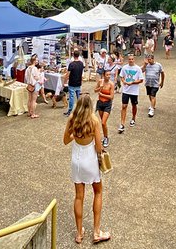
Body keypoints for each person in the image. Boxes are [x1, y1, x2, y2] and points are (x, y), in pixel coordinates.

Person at [63, 95, 111, 244]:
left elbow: (65, 140)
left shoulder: (72, 118)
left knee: (79, 196)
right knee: (98, 191)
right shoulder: (94, 121)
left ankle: (79, 233)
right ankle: (96, 232)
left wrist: (76, 134)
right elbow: (98, 147)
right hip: (90, 161)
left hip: (76, 161)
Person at [118, 54, 144, 134]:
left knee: (134, 105)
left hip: (134, 91)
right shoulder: (124, 68)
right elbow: (121, 76)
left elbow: (141, 80)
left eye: (132, 59)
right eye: (129, 59)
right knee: (124, 106)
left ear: (134, 60)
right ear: (128, 60)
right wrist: (124, 81)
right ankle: (122, 124)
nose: (131, 60)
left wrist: (132, 82)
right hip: (126, 90)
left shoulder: (138, 69)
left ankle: (133, 118)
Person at [94, 65, 115, 148]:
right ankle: (104, 137)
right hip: (100, 103)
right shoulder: (100, 81)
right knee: (103, 123)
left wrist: (102, 94)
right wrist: (100, 87)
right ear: (104, 75)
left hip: (107, 104)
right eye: (107, 75)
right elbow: (95, 90)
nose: (109, 76)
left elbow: (111, 97)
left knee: (103, 122)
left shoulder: (111, 84)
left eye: (110, 75)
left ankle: (106, 137)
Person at [64, 50, 86, 116]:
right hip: (78, 82)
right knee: (78, 97)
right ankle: (80, 110)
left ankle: (70, 111)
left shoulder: (71, 64)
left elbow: (68, 74)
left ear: (73, 56)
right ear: (78, 55)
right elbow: (82, 73)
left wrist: (65, 81)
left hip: (72, 82)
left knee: (71, 97)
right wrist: (81, 80)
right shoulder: (81, 63)